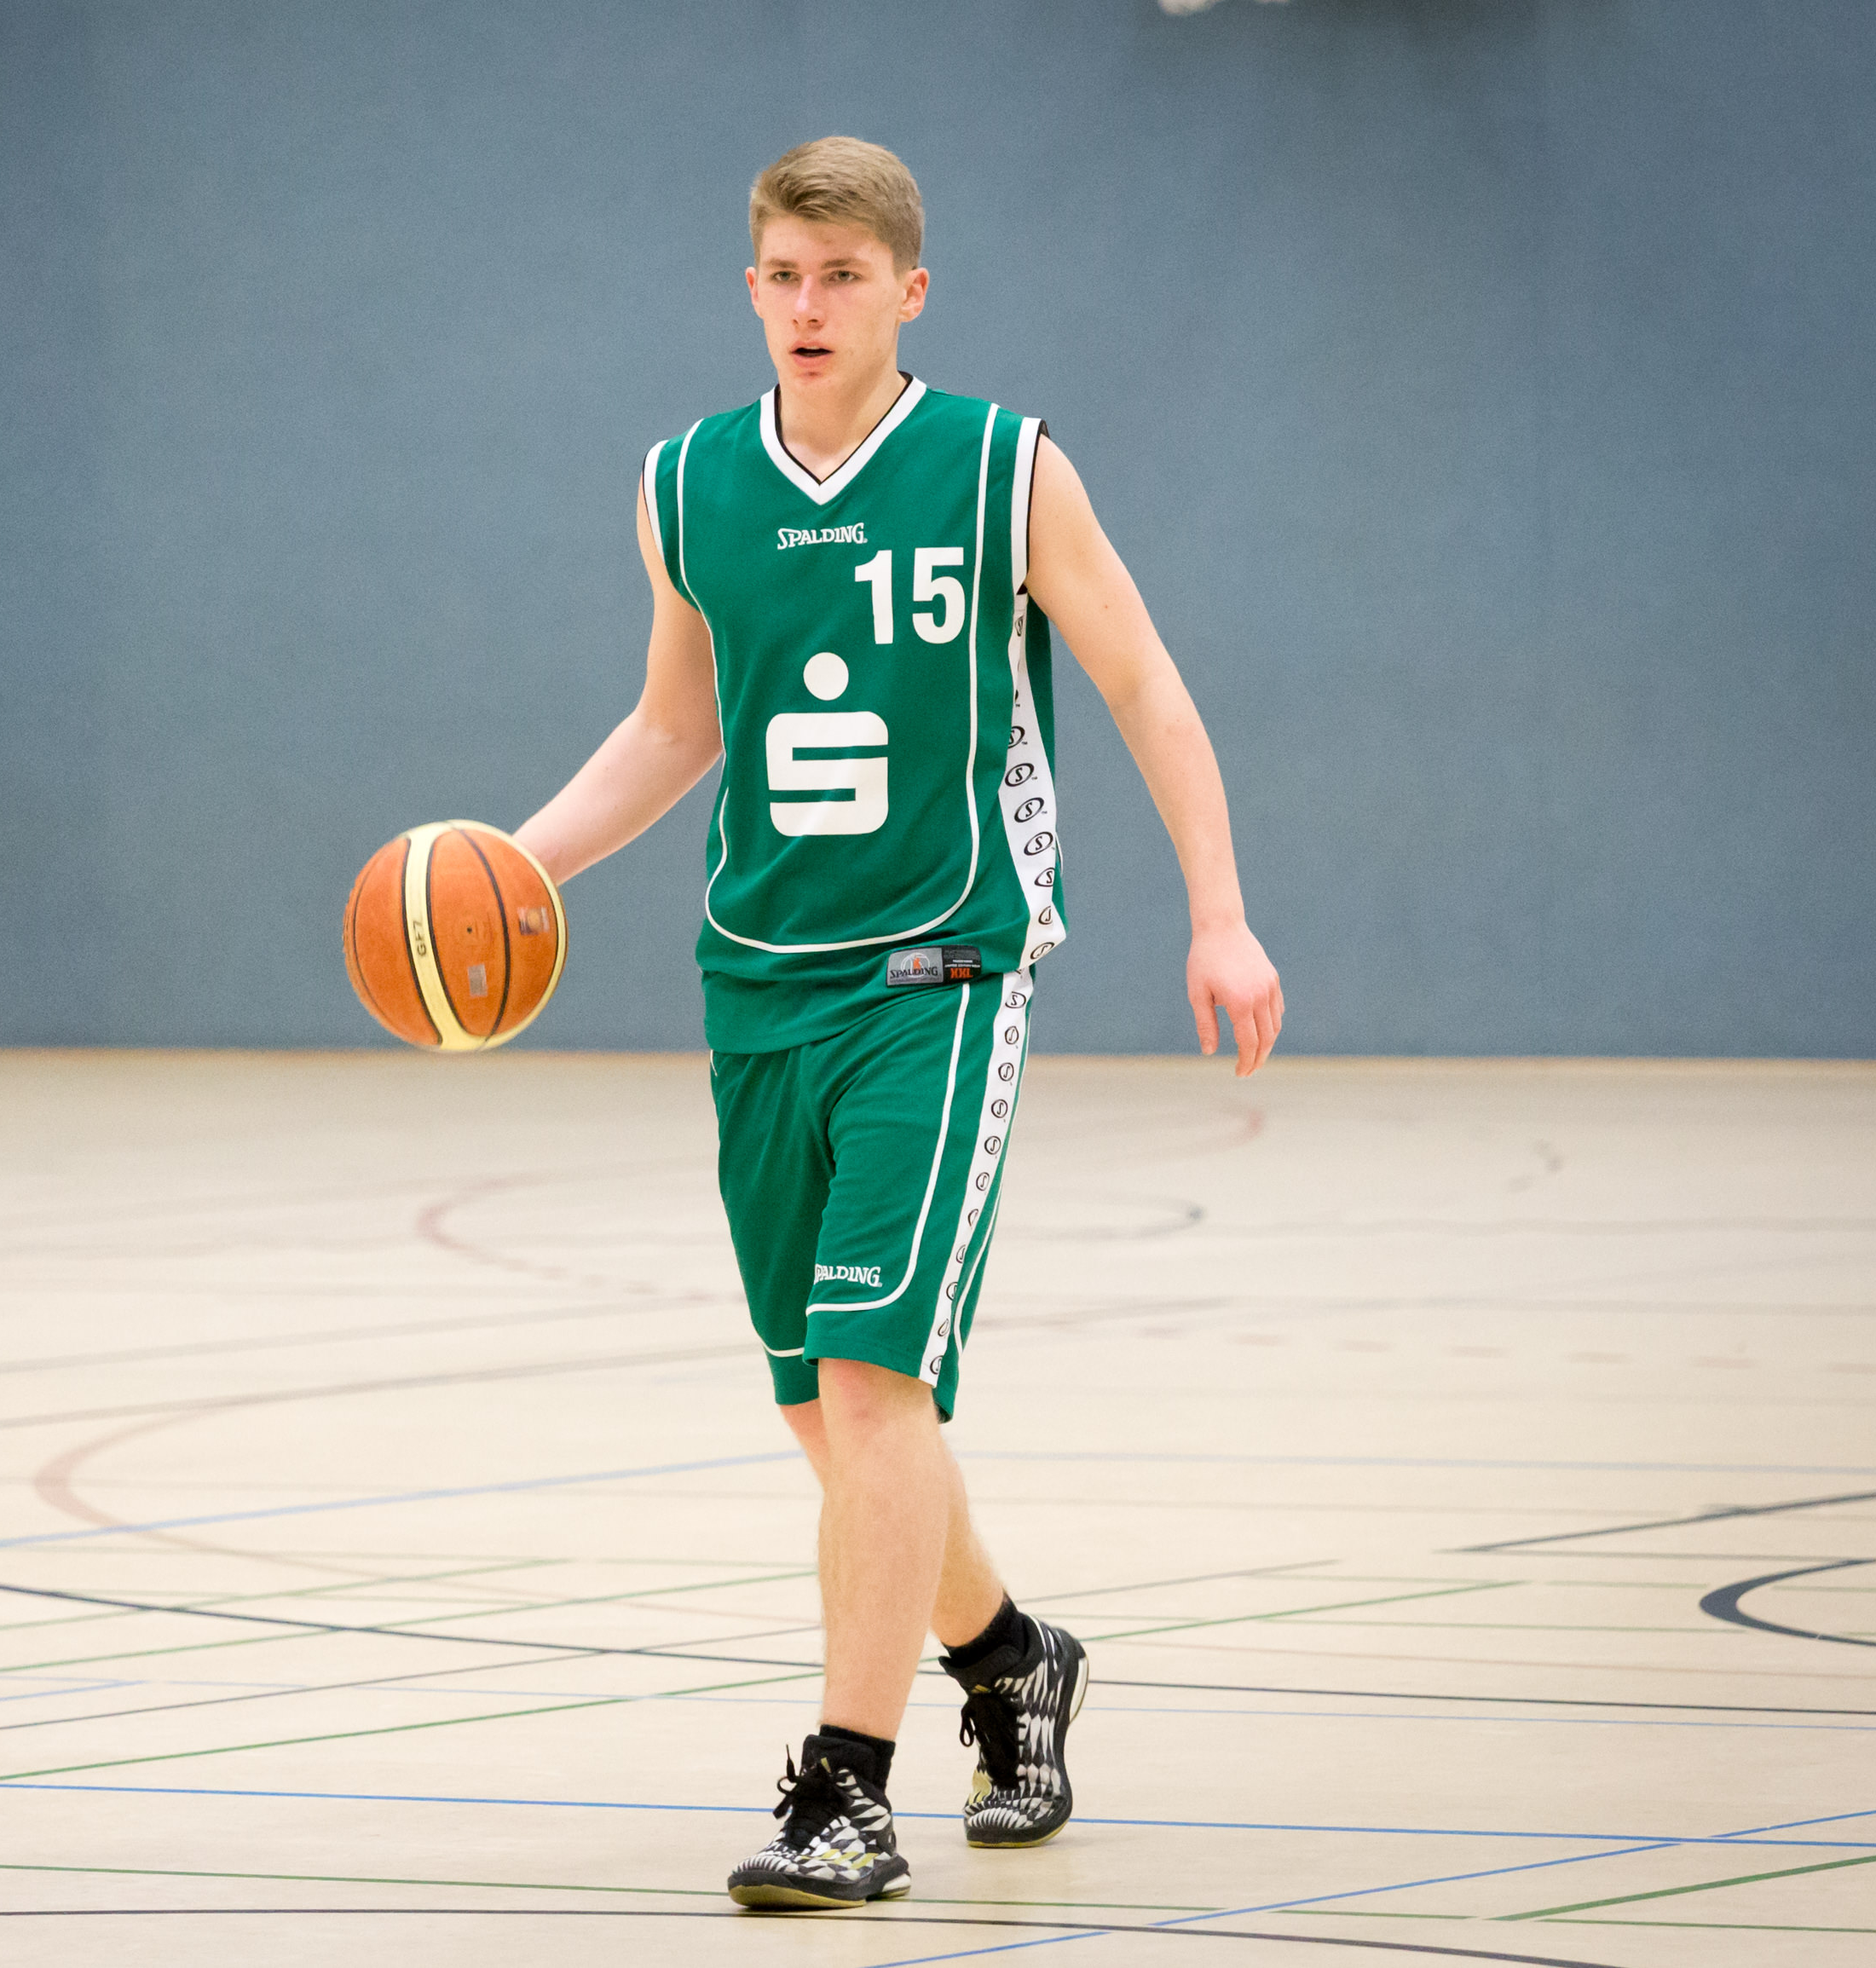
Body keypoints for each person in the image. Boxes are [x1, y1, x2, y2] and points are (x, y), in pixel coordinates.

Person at [511, 136, 1284, 1911]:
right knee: (828, 1409)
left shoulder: (1003, 468)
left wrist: (1221, 912)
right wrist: (520, 865)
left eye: (843, 277)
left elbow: (1143, 681)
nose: (809, 305)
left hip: (940, 973)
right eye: (783, 274)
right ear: (750, 286)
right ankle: (1009, 1658)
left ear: (908, 293)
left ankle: (844, 1791)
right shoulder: (687, 485)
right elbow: (675, 725)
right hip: (755, 983)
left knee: (874, 1384)